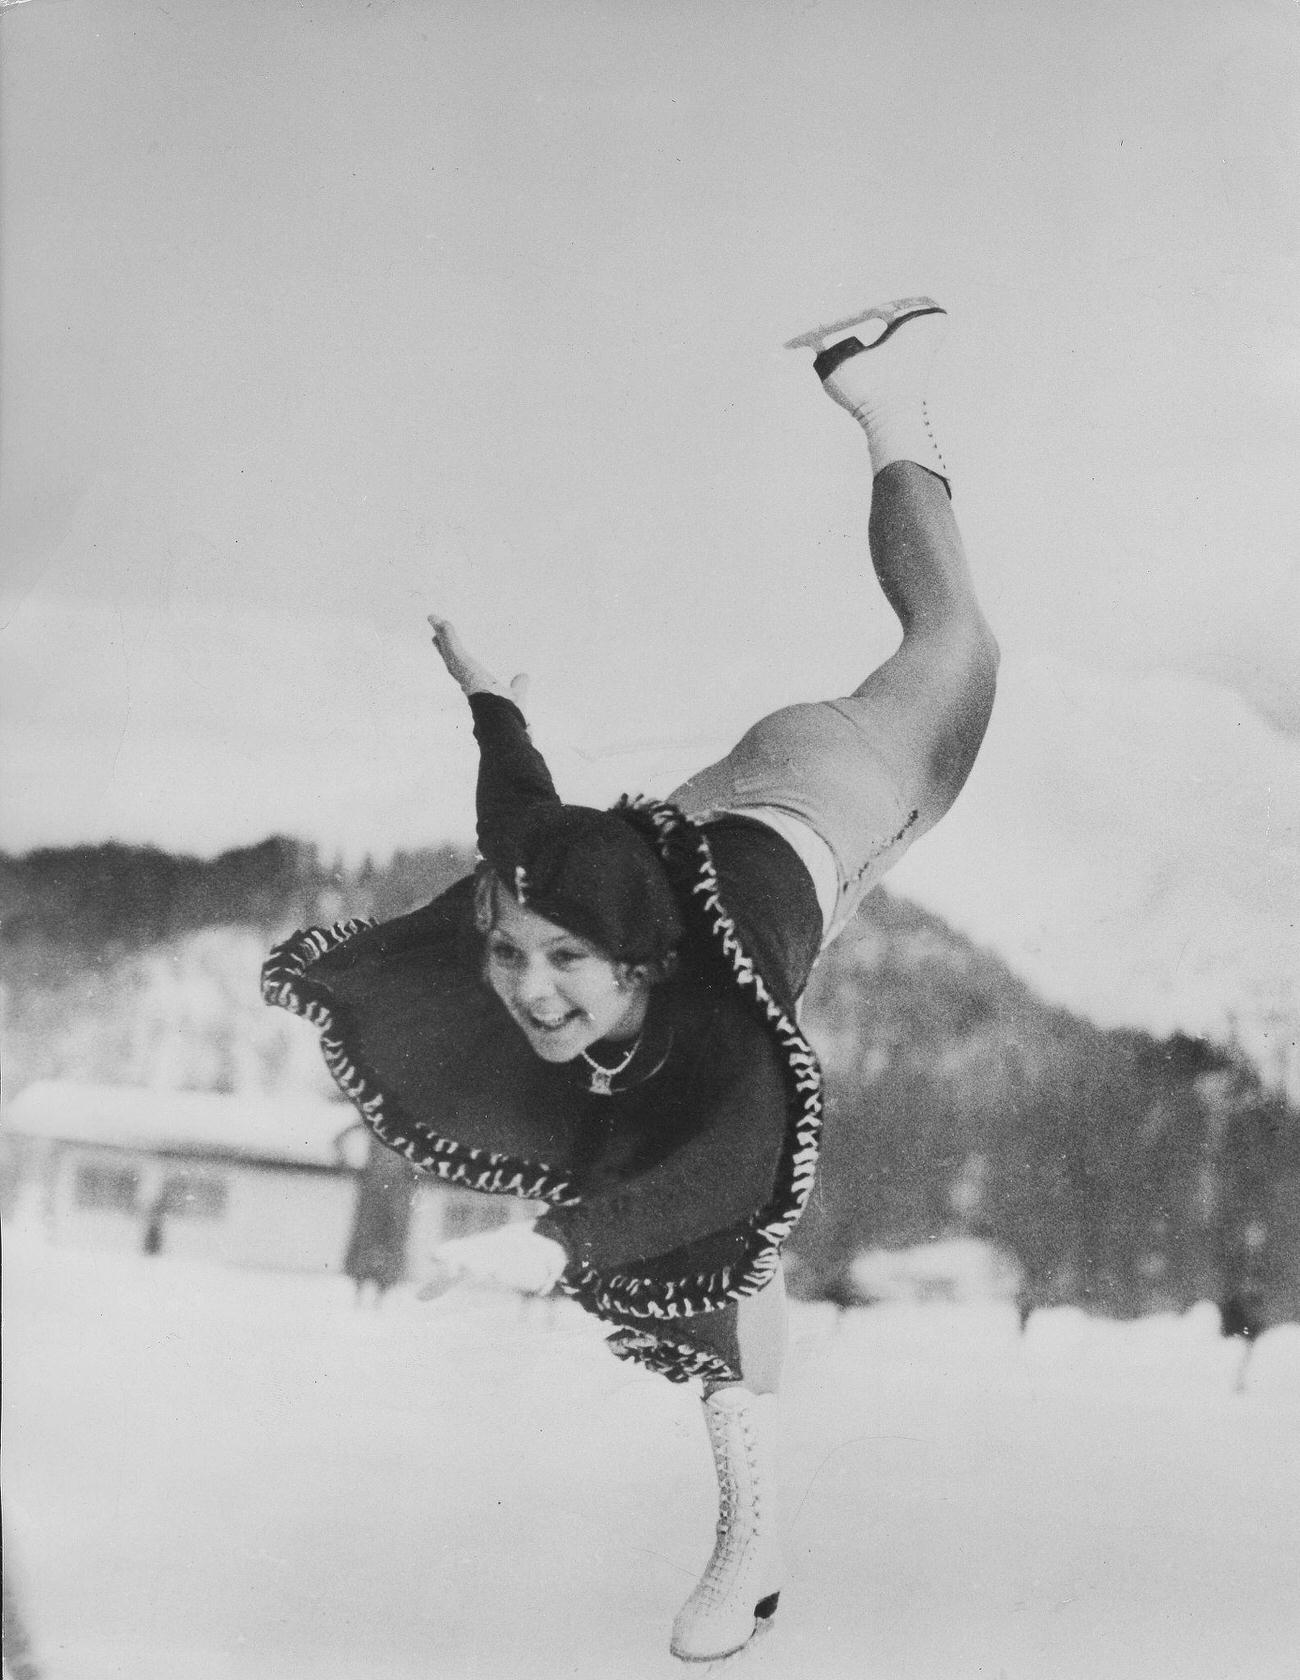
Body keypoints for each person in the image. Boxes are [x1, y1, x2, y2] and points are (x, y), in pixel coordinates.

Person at [262, 296, 998, 1664]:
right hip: (717, 812)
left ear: (644, 962)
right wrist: (494, 705)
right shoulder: (556, 882)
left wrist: (738, 1506)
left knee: (954, 646)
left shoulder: (727, 1042)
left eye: (563, 969)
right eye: (512, 958)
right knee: (675, 1196)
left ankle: (890, 395)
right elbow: (520, 819)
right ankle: (881, 400)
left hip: (844, 784)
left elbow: (735, 1221)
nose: (529, 993)